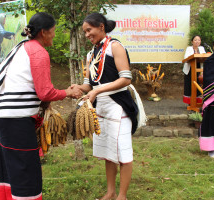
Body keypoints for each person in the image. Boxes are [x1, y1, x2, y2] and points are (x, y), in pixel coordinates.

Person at [0, 12, 82, 200]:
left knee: (9, 168)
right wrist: (68, 92)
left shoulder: (21, 48)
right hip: (16, 120)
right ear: (43, 32)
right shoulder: (38, 52)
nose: (54, 35)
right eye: (53, 31)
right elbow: (45, 92)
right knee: (24, 168)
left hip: (2, 118)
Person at [72, 13, 146, 200]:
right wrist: (80, 88)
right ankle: (110, 192)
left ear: (101, 27)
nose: (87, 35)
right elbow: (90, 84)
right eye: (85, 32)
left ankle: (122, 196)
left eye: (89, 30)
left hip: (118, 105)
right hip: (102, 108)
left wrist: (98, 91)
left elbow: (126, 78)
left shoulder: (115, 47)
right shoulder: (91, 53)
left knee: (123, 151)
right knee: (108, 152)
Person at [200, 36, 214, 159]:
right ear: (213, 47)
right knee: (212, 121)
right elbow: (208, 79)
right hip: (213, 97)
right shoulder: (210, 61)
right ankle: (211, 149)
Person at [183, 35, 206, 105]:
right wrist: (194, 55)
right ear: (192, 41)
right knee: (189, 85)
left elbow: (204, 56)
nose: (197, 41)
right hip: (190, 69)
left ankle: (197, 102)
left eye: (199, 40)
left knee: (198, 84)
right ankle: (190, 102)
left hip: (199, 69)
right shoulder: (189, 48)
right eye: (195, 40)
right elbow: (186, 58)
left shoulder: (202, 48)